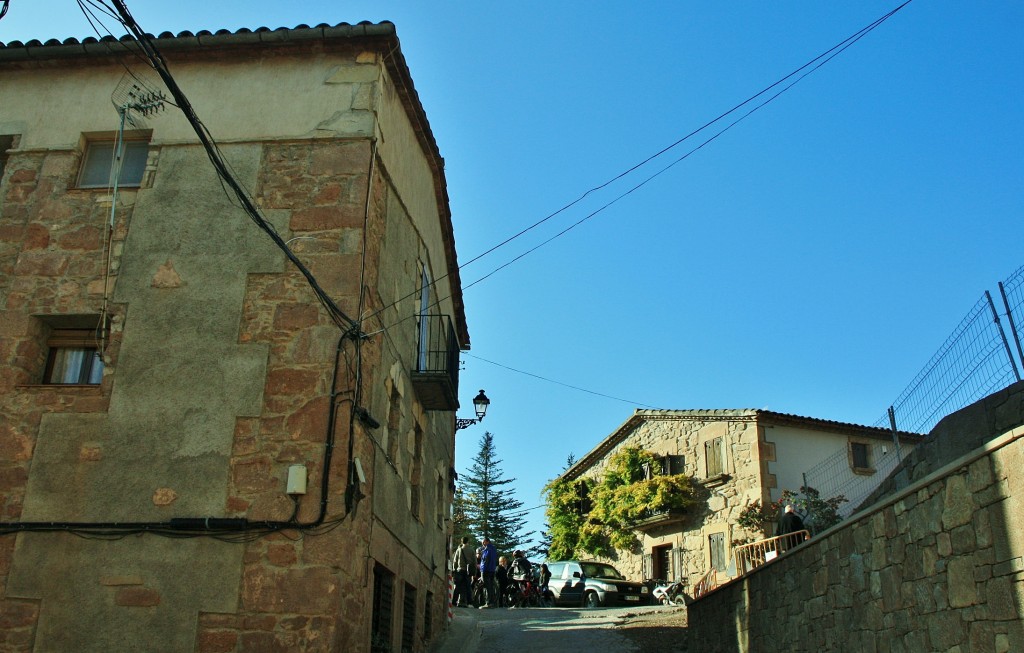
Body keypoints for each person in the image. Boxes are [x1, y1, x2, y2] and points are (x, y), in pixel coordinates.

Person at [450, 537, 472, 608]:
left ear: (462, 542)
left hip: (459, 570)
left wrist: (454, 570)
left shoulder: (459, 550)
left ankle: (454, 602)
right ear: (467, 541)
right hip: (467, 571)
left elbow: (455, 561)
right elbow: (474, 562)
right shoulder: (471, 550)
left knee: (457, 587)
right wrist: (473, 572)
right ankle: (469, 602)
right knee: (468, 587)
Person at [478, 537, 498, 609]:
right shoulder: (493, 549)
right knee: (491, 586)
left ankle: (488, 603)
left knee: (487, 587)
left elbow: (485, 560)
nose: (483, 543)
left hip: (486, 570)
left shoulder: (487, 549)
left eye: (483, 542)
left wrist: (482, 569)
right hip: (492, 569)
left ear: (487, 541)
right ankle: (492, 602)